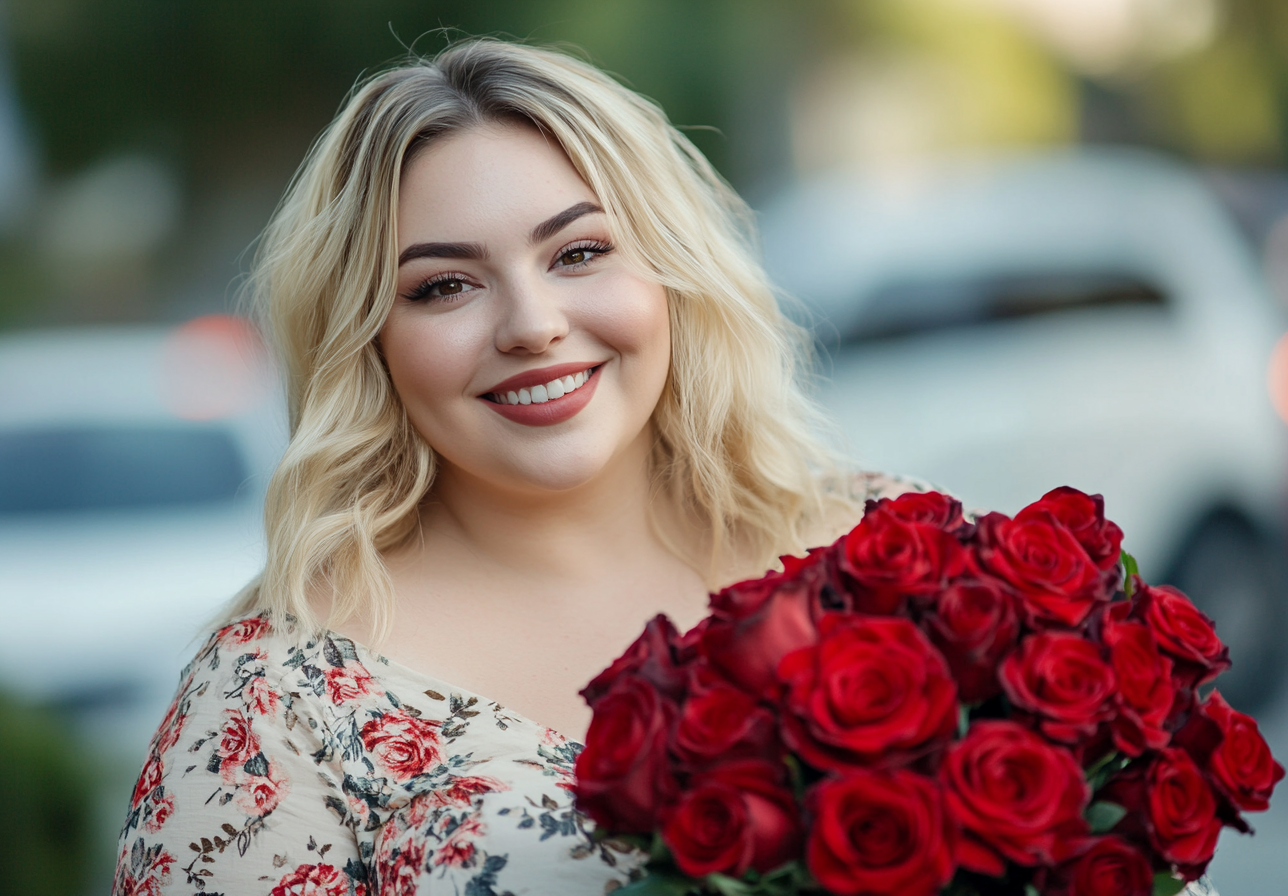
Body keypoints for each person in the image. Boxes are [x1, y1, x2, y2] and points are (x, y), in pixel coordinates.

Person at [111, 38, 910, 895]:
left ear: (671, 275)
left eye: (578, 253)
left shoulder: (897, 558)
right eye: (445, 286)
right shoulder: (274, 707)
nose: (532, 326)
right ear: (369, 343)